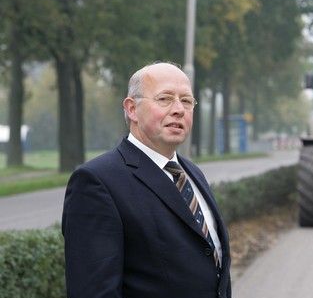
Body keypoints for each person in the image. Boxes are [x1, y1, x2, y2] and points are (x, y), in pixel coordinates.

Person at [62, 62, 231, 298]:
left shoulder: (192, 173)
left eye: (186, 101)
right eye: (165, 99)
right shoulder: (97, 182)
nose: (178, 109)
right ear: (131, 109)